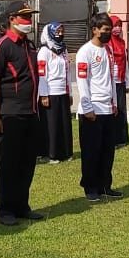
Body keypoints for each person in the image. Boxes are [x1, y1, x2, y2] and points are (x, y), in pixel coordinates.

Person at [0, 1, 43, 226]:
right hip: (9, 114)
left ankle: (22, 205)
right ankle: (5, 209)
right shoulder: (3, 45)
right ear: (11, 19)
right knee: (8, 163)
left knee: (27, 162)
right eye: (23, 17)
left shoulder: (29, 46)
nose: (27, 21)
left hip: (30, 111)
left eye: (29, 17)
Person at [76, 13, 121, 202]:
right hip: (92, 109)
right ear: (95, 30)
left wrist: (115, 103)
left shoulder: (108, 50)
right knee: (91, 152)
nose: (108, 33)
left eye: (109, 30)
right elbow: (82, 80)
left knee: (107, 151)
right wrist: (87, 108)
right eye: (105, 30)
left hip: (107, 108)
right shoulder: (85, 52)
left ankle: (105, 185)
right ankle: (90, 187)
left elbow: (111, 78)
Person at [37, 22, 73, 163]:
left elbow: (68, 72)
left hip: (63, 91)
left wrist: (69, 92)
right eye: (57, 31)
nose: (60, 34)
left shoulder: (63, 50)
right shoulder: (44, 51)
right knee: (51, 125)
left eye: (62, 31)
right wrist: (44, 94)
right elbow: (42, 75)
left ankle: (65, 152)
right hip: (50, 92)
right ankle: (51, 154)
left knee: (64, 123)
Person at [107, 15, 129, 148]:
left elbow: (126, 63)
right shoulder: (107, 43)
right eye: (114, 25)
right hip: (111, 81)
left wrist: (127, 82)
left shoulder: (121, 42)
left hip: (121, 80)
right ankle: (113, 139)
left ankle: (122, 138)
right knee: (113, 110)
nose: (117, 28)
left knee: (121, 109)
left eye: (119, 25)